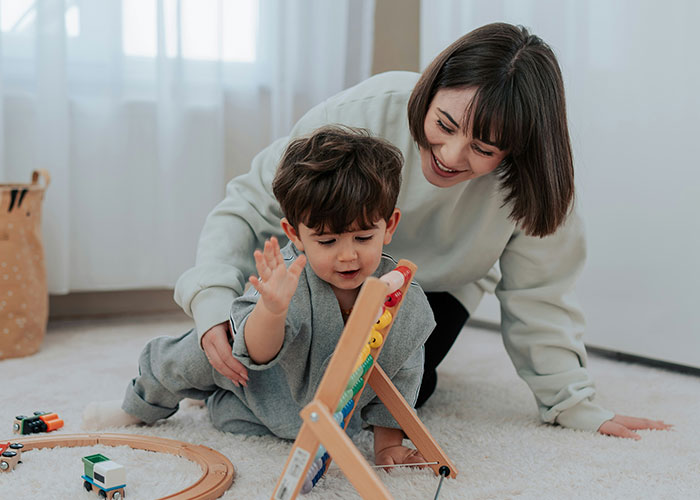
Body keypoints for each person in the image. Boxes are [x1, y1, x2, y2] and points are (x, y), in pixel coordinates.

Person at [176, 22, 671, 439]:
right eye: (446, 123)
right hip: (320, 272)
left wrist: (571, 401)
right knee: (275, 348)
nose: (452, 156)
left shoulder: (534, 185)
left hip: (428, 288)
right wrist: (213, 301)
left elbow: (541, 295)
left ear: (516, 151)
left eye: (484, 148)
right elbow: (249, 204)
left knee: (399, 392)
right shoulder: (367, 110)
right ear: (430, 88)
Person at [83, 126, 436, 466]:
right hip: (255, 378)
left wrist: (388, 446)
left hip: (302, 416)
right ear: (295, 234)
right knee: (195, 353)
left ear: (388, 226)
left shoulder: (401, 295)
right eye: (327, 242)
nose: (347, 256)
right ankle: (137, 406)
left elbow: (399, 374)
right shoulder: (288, 276)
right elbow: (257, 353)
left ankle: (213, 400)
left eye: (363, 238)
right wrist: (273, 309)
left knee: (227, 415)